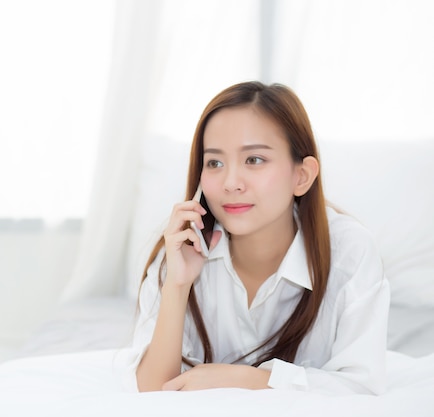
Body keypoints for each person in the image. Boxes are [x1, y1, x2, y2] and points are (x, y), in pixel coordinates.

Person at [131, 81, 390, 395]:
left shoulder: (350, 252)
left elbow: (361, 387)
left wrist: (248, 379)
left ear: (301, 176)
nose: (231, 182)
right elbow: (152, 391)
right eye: (214, 162)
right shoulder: (180, 249)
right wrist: (177, 284)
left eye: (254, 160)